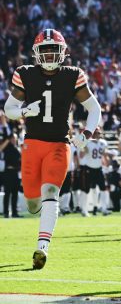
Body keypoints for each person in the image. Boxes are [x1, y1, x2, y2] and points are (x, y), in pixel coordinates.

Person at [4, 28, 101, 269]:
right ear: (36, 53)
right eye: (44, 51)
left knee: (50, 192)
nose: (49, 56)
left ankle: (42, 247)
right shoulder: (25, 73)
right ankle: (39, 218)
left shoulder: (73, 75)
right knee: (32, 203)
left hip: (59, 143)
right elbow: (9, 109)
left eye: (53, 50)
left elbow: (94, 108)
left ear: (63, 52)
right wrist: (26, 110)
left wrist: (87, 134)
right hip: (32, 144)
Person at [83, 127, 110, 215]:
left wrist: (106, 163)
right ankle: (84, 209)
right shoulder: (88, 142)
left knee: (103, 189)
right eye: (97, 133)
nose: (98, 135)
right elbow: (83, 153)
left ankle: (104, 208)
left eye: (99, 133)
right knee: (87, 190)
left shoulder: (103, 143)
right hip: (89, 168)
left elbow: (104, 154)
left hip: (99, 168)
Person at [1, 133, 21, 218]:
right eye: (12, 138)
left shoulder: (17, 148)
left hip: (16, 173)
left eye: (15, 138)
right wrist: (7, 139)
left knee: (15, 194)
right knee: (7, 193)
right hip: (8, 173)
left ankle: (14, 212)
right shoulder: (6, 148)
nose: (14, 140)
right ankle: (6, 212)